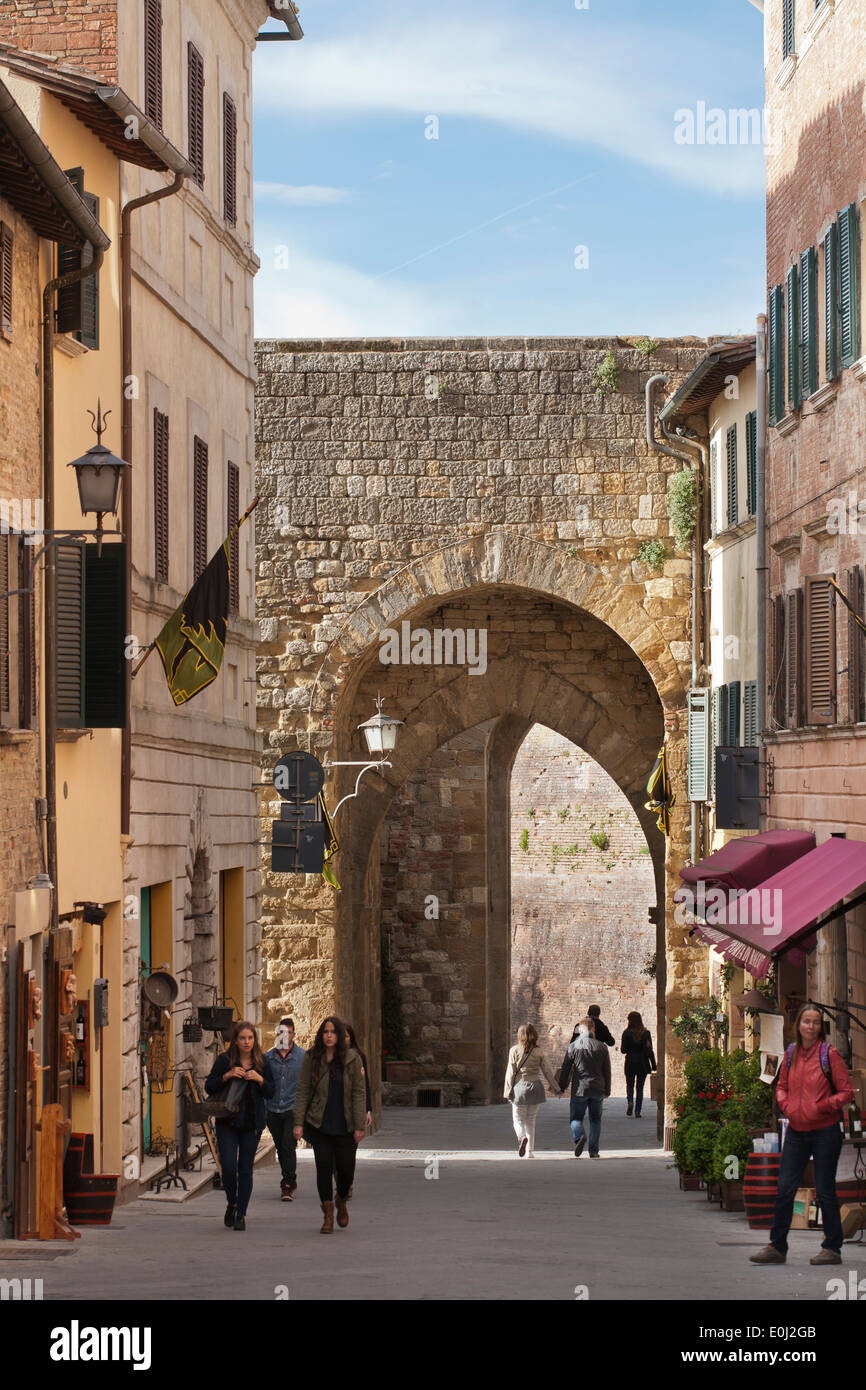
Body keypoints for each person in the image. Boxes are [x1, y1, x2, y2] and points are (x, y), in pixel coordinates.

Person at [750, 1004, 854, 1267]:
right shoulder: (791, 1053)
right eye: (806, 1021)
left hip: (825, 1131)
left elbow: (846, 1093)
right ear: (798, 1025)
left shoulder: (829, 1055)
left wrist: (821, 1107)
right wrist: (787, 1106)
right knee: (784, 1189)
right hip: (797, 1130)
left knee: (825, 1190)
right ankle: (777, 1246)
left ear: (821, 1027)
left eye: (815, 1022)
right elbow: (781, 1086)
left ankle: (832, 1248)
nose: (811, 1026)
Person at [292, 1015, 366, 1233]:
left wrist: (360, 1124)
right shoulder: (312, 1058)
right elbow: (303, 1090)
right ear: (321, 1035)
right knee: (323, 1168)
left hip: (345, 1125)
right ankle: (328, 1214)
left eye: (333, 1032)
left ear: (340, 1035)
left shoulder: (353, 1059)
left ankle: (341, 1199)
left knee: (346, 1171)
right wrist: (298, 1122)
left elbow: (359, 1093)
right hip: (319, 1124)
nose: (329, 1035)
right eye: (326, 1032)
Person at [205, 1020, 275, 1231]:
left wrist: (260, 1079)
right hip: (228, 1121)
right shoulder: (225, 1061)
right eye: (243, 1038)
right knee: (228, 1166)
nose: (247, 1042)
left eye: (250, 1038)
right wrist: (227, 1075)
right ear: (235, 1040)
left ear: (255, 1040)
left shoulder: (263, 1062)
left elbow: (271, 1091)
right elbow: (209, 1086)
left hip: (251, 1123)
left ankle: (241, 1213)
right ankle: (232, 1202)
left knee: (245, 1169)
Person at [504, 1023, 560, 1157]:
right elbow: (547, 1071)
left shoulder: (514, 1050)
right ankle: (529, 1151)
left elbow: (510, 1073)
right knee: (531, 1120)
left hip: (519, 1087)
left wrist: (507, 1090)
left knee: (518, 1119)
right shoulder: (539, 1051)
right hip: (535, 1087)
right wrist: (556, 1088)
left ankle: (522, 1137)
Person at [265, 1016, 305, 1200]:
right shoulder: (268, 1058)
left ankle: (287, 1183)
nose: (283, 1036)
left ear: (293, 1035)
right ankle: (289, 1178)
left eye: (287, 1033)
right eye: (280, 1032)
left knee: (288, 1146)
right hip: (273, 1110)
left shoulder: (302, 1058)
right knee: (281, 1147)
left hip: (291, 1110)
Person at [559, 1017, 611, 1157]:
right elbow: (607, 1071)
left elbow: (566, 1069)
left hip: (579, 1089)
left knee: (575, 1118)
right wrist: (608, 1090)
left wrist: (561, 1087)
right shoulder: (602, 1047)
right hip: (598, 1088)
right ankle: (593, 1151)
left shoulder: (573, 1046)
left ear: (580, 1030)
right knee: (595, 1120)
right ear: (593, 1029)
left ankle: (579, 1135)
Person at [343, 1023, 373, 1199]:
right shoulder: (330, 1057)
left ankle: (347, 1184)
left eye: (347, 1036)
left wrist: (367, 1109)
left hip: (354, 1111)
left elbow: (364, 1085)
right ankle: (341, 1183)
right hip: (335, 1112)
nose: (344, 1039)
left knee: (349, 1152)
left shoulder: (359, 1056)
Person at [620, 1010, 657, 1117]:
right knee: (640, 1087)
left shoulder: (626, 1033)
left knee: (630, 1085)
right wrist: (653, 1065)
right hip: (643, 1063)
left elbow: (623, 1050)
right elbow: (650, 1051)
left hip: (630, 1062)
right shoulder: (646, 1033)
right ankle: (637, 1111)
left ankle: (630, 1101)